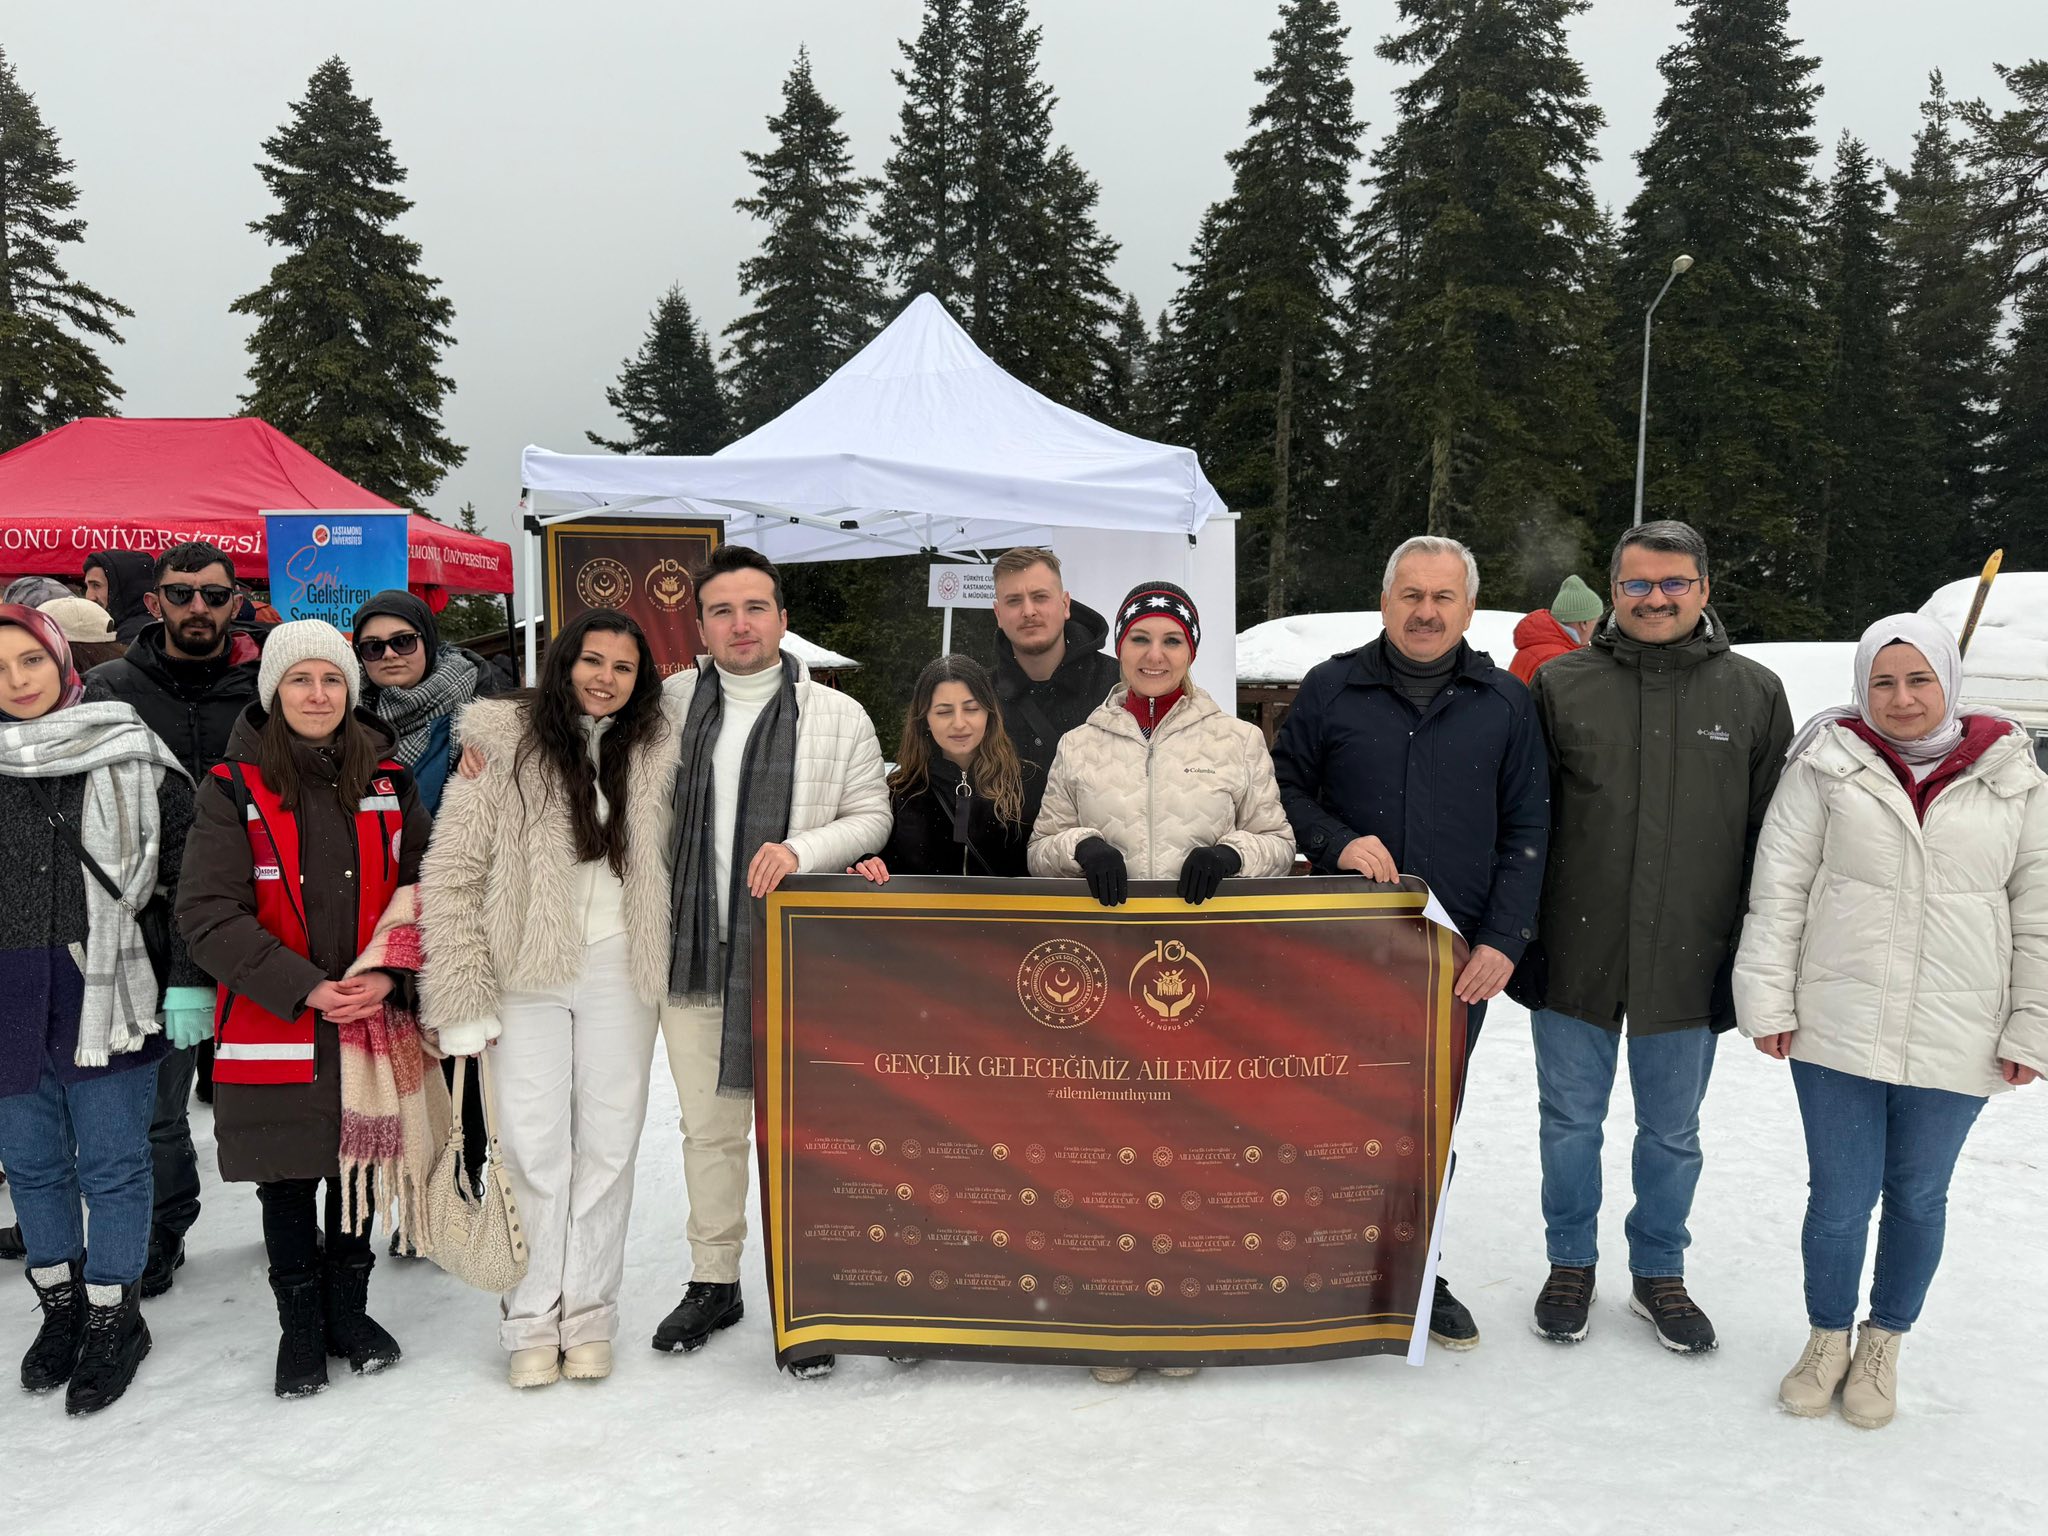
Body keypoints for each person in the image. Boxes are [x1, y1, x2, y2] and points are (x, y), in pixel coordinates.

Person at [1734, 614, 2048, 1428]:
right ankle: (1827, 1338)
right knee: (1839, 1198)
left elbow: (2039, 915)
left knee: (1917, 1196)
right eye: (1883, 681)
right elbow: (1781, 888)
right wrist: (1768, 999)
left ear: (1948, 682)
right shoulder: (1826, 764)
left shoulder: (2014, 777)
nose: (1901, 699)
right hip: (1838, 1018)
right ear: (1860, 686)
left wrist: (2032, 1027)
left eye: (1918, 680)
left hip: (1960, 1026)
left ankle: (1884, 1343)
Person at [1520, 520, 1792, 1354]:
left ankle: (1658, 1270)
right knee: (1569, 1121)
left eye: (1674, 583)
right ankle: (1571, 1261)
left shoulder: (1752, 691)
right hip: (1576, 948)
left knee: (1673, 1132)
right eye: (1637, 584)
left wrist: (1755, 951)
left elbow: (1774, 838)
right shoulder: (1562, 684)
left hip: (1691, 951)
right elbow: (1525, 822)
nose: (1656, 598)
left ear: (1705, 590)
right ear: (1613, 593)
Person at [1272, 535, 1548, 1351]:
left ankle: (1414, 1268)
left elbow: (1530, 826)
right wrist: (1335, 839)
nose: (1426, 612)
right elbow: (1280, 789)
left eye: (1443, 598)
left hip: (1453, 960)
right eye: (1411, 595)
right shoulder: (1331, 689)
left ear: (1467, 608)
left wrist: (1505, 939)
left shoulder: (1503, 702)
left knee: (1428, 1118)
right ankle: (1320, 1263)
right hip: (1344, 947)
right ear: (1385, 601)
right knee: (1325, 1106)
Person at [1029, 580, 1297, 1383]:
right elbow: (1040, 845)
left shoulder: (1238, 739)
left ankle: (1185, 1312)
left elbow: (1277, 840)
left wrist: (1234, 856)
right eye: (1140, 640)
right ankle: (1113, 1315)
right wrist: (1082, 847)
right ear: (1120, 647)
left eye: (1170, 642)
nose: (1154, 656)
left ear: (1192, 651)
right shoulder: (1083, 743)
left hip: (1203, 975)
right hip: (1106, 977)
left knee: (1194, 1145)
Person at [421, 609, 683, 1389]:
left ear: (642, 681)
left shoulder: (659, 746)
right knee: (534, 1147)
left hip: (620, 968)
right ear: (563, 662)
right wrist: (461, 991)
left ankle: (590, 1312)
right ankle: (531, 1315)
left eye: (624, 667)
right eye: (591, 660)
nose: (605, 677)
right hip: (525, 971)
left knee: (609, 1145)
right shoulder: (499, 742)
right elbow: (453, 872)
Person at [176, 622, 436, 1398]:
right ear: (273, 692)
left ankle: (347, 1313)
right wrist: (303, 984)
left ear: (351, 690)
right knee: (287, 1180)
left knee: (354, 1173)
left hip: (369, 1018)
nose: (317, 694)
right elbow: (208, 913)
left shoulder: (391, 780)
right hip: (275, 1017)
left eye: (331, 679)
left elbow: (428, 889)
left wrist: (391, 975)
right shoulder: (232, 787)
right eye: (299, 680)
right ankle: (299, 1327)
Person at [652, 546, 891, 1382]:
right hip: (694, 952)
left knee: (803, 1135)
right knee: (709, 1132)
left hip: (796, 961)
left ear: (783, 619)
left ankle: (813, 1294)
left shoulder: (838, 715)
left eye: (755, 607)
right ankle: (714, 1280)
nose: (740, 624)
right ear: (702, 626)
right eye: (722, 610)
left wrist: (801, 847)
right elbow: (584, 750)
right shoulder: (669, 705)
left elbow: (871, 815)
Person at [0, 604, 191, 1414]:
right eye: (0, 670)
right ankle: (62, 1305)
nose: (16, 682)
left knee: (114, 1163)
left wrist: (189, 977)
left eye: (28, 662)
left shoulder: (131, 751)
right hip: (9, 993)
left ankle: (116, 1311)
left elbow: (184, 880)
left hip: (104, 986)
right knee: (31, 1165)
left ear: (59, 659)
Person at [80, 541, 263, 1297]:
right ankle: (166, 1220)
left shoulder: (265, 689)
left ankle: (291, 1210)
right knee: (159, 1097)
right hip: (149, 920)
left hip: (261, 916)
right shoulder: (107, 688)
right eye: (181, 593)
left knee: (274, 1085)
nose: (197, 608)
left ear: (235, 603)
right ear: (154, 601)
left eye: (213, 596)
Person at [852, 655, 1039, 882]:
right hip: (924, 917)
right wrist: (867, 862)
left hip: (1007, 917)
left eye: (971, 709)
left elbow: (1046, 861)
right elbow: (880, 863)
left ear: (989, 714)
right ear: (924, 719)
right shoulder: (899, 791)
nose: (959, 723)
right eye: (944, 711)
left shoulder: (1029, 782)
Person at [352, 589, 500, 816]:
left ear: (427, 641)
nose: (389, 654)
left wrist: (488, 740)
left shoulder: (481, 716)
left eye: (403, 641)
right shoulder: (343, 715)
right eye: (373, 647)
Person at [990, 546, 1121, 790]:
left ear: (1065, 604)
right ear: (998, 613)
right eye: (1014, 601)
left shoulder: (1119, 686)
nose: (1028, 611)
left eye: (1040, 597)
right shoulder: (980, 698)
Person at [1509, 574, 1604, 685]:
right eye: (1596, 621)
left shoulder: (1537, 646)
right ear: (1584, 623)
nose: (1599, 627)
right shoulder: (1561, 660)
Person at [81, 551, 158, 644]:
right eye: (86, 587)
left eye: (96, 585)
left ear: (125, 587)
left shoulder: (137, 637)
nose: (89, 597)